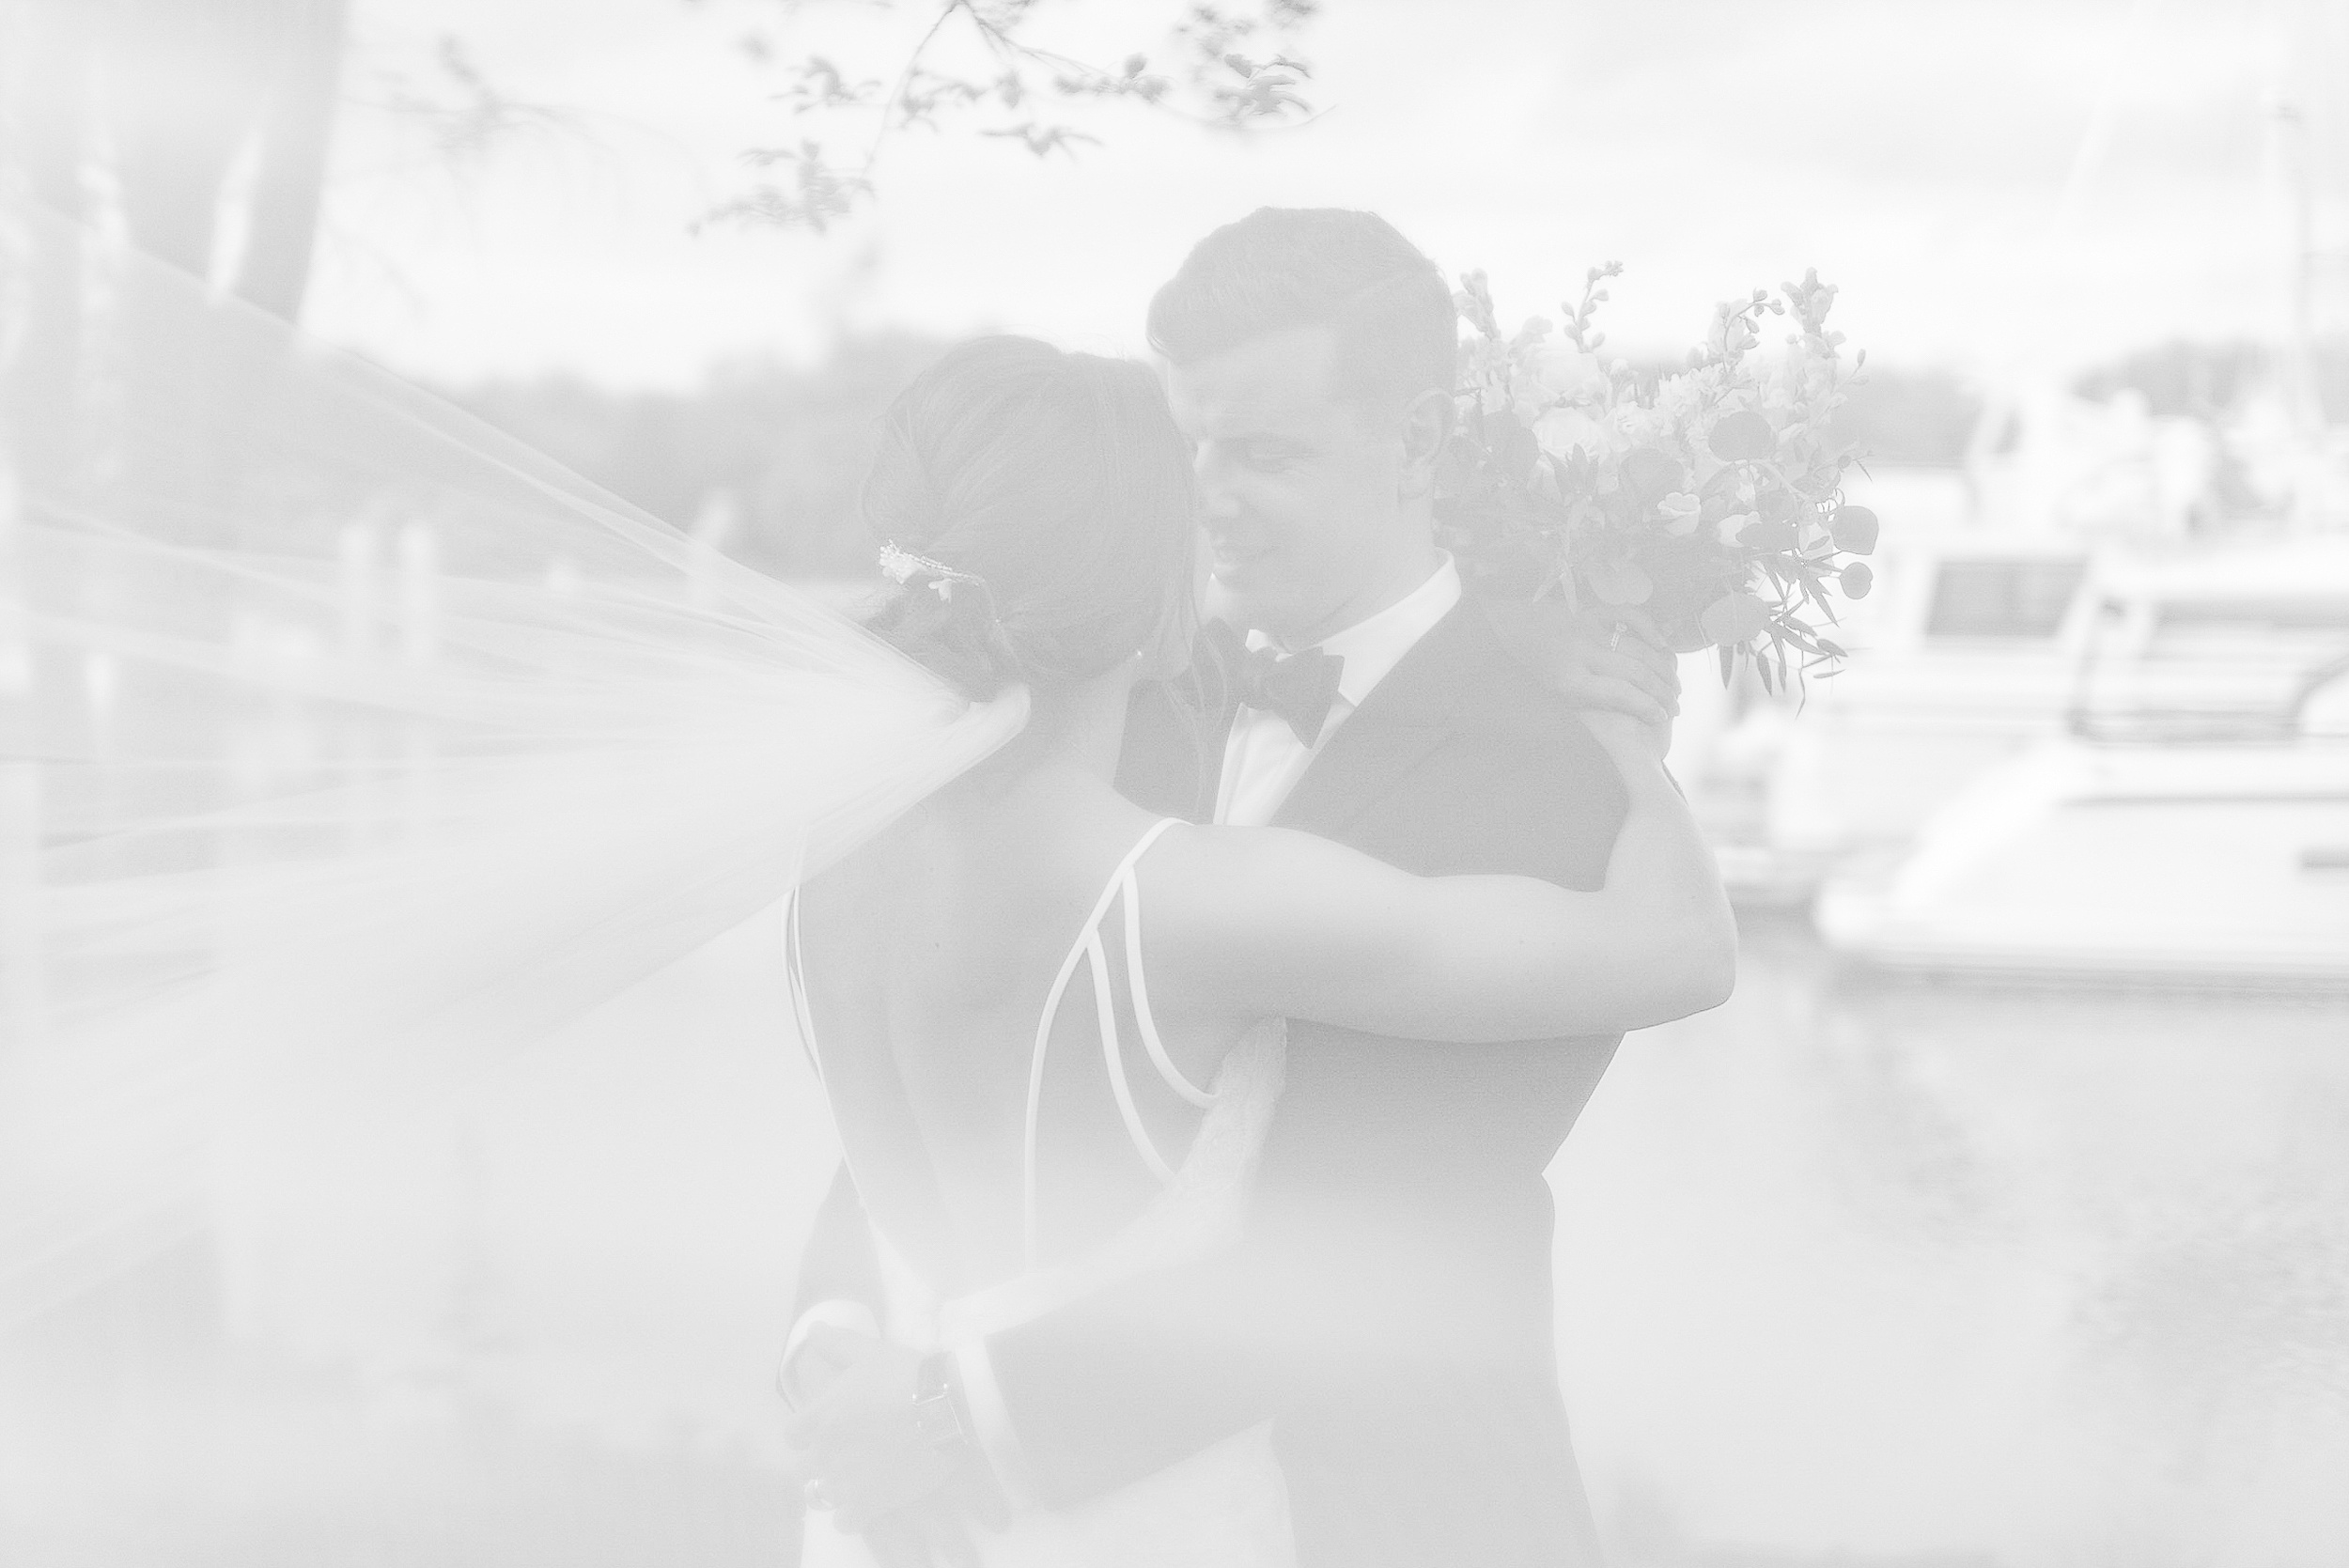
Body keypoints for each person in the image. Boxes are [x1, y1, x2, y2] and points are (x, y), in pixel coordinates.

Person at [784, 209, 1725, 1568]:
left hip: (1386, 1516)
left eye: (1264, 453)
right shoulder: (1094, 681)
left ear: (1417, 447)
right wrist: (835, 1337)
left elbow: (1365, 1240)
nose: (1207, 496)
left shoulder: (1555, 761)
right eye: (1189, 450)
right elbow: (920, 1087)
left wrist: (939, 1422)